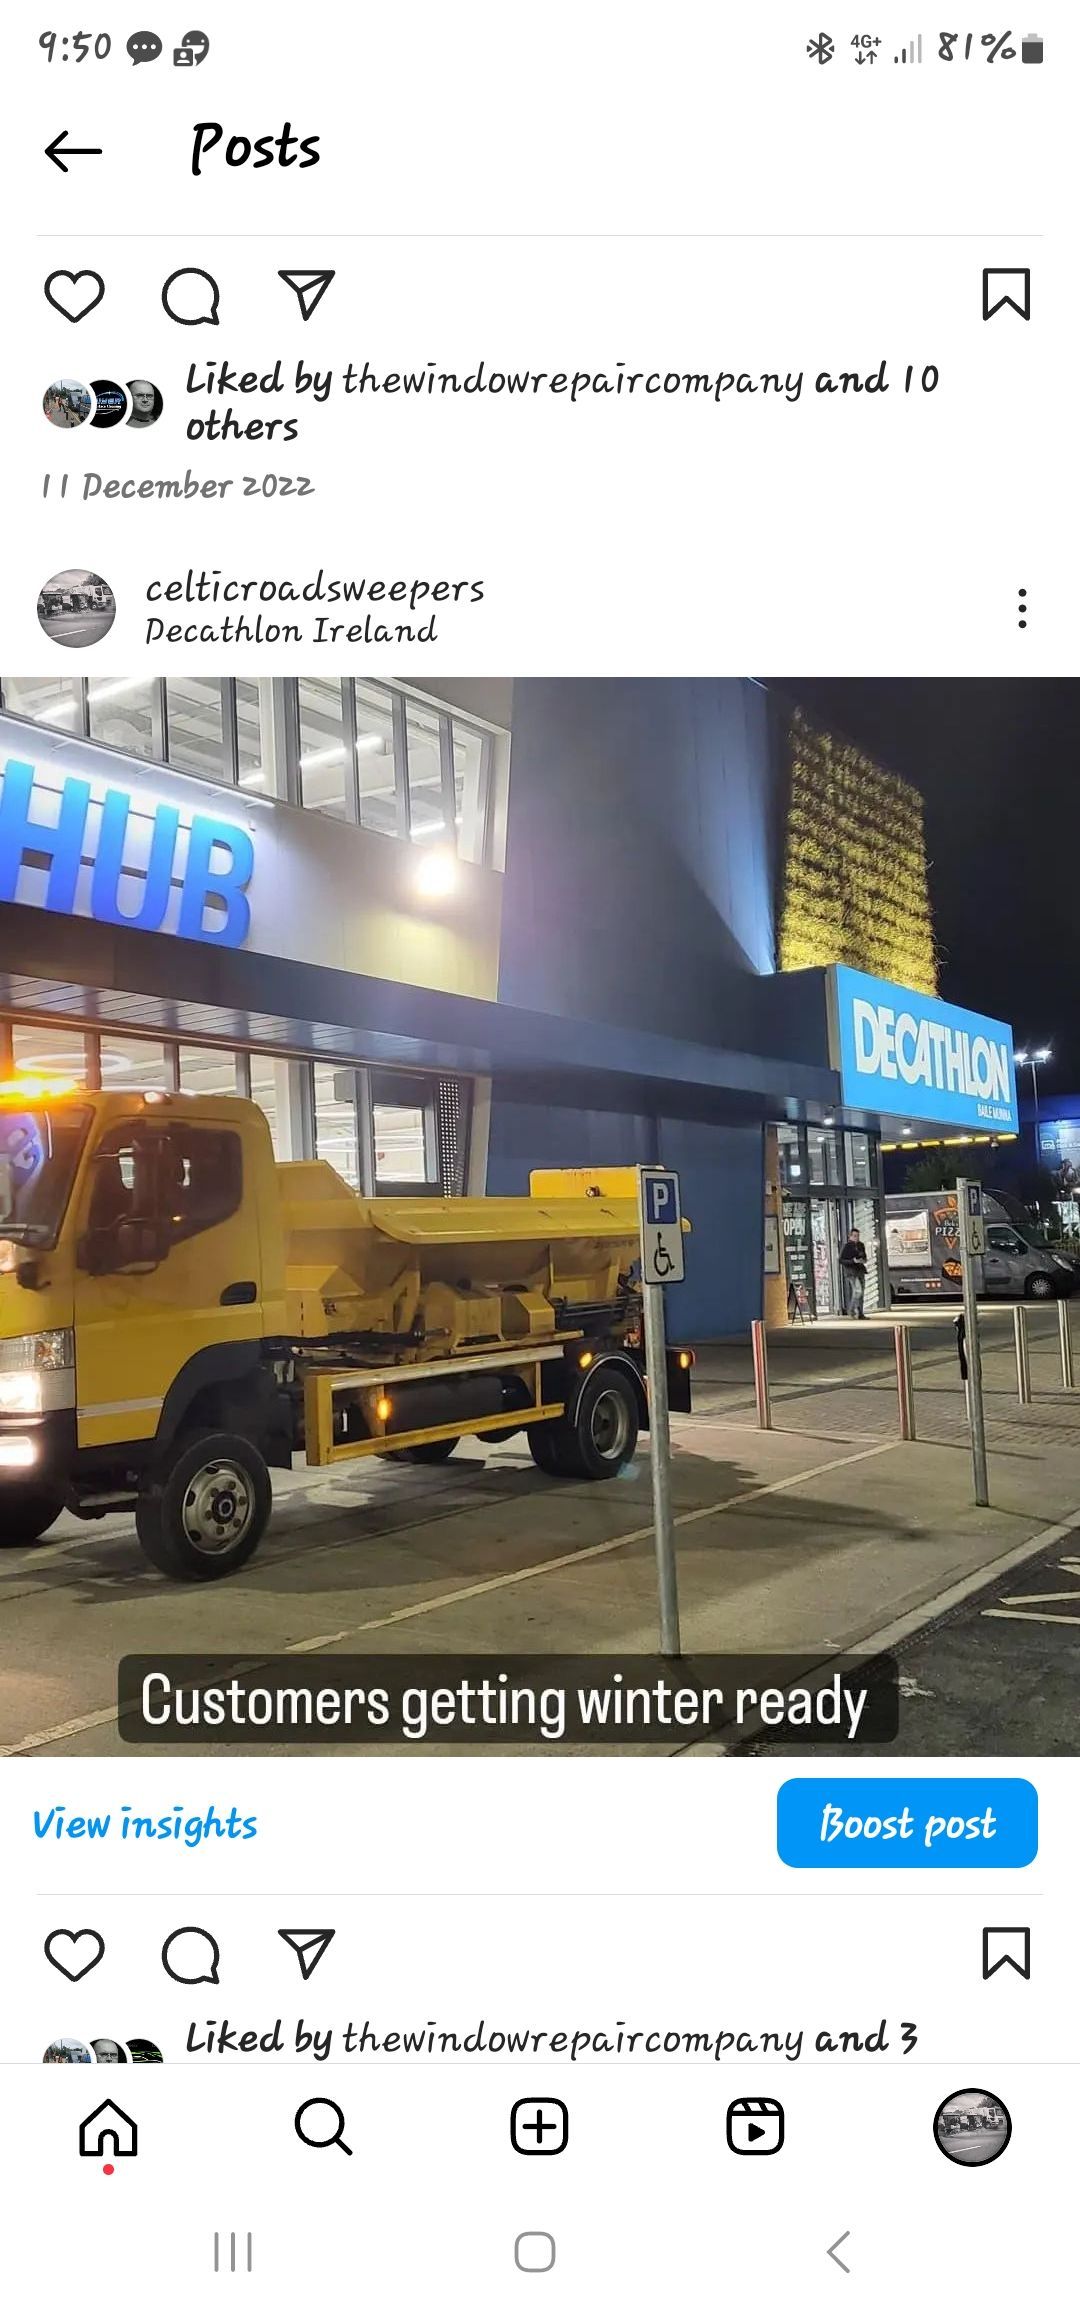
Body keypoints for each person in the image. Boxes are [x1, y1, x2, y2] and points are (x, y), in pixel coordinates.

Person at [839, 1225, 868, 1317]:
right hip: (851, 1272)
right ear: (850, 1236)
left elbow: (864, 1257)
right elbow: (841, 1260)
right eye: (854, 1236)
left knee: (861, 1292)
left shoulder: (861, 1245)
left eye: (858, 1236)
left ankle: (860, 1312)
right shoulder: (847, 1246)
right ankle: (851, 1309)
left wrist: (863, 1260)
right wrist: (853, 1261)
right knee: (858, 1290)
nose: (856, 1238)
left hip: (860, 1270)